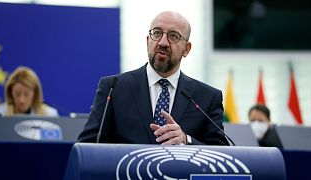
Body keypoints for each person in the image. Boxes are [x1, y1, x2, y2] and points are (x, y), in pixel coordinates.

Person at [78, 11, 229, 145]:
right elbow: (87, 145)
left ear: (186, 49)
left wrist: (186, 140)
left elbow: (222, 155)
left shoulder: (207, 98)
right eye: (157, 33)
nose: (163, 42)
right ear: (147, 41)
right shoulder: (113, 88)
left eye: (173, 36)